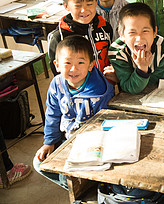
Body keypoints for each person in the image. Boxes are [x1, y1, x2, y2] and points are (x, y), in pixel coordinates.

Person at [34, 35, 115, 189]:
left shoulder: (101, 91)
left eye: (80, 63)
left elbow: (105, 124)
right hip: (66, 138)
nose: (74, 69)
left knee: (68, 178)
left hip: (91, 143)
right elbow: (52, 114)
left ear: (91, 65)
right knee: (39, 163)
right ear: (57, 65)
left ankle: (85, 186)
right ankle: (82, 186)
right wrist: (49, 142)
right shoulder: (56, 84)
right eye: (67, 63)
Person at [48, 0, 114, 76]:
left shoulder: (105, 27)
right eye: (77, 6)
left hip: (106, 87)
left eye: (89, 4)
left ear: (96, 2)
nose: (84, 10)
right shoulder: (59, 37)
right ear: (66, 6)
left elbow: (111, 55)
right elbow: (57, 70)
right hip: (78, 90)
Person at [109, 3, 164, 94]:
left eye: (145, 31)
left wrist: (137, 74)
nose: (139, 38)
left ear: (154, 32)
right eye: (132, 32)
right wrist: (142, 69)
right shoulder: (116, 53)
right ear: (122, 35)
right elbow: (129, 87)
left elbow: (152, 82)